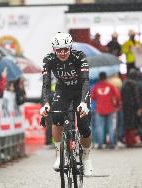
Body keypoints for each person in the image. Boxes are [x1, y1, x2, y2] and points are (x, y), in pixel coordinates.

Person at [40, 32, 93, 176]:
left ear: (70, 48)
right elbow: (45, 84)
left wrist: (83, 102)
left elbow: (86, 81)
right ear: (54, 49)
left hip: (80, 91)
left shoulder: (79, 56)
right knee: (56, 119)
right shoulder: (48, 59)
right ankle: (58, 155)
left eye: (65, 49)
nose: (62, 53)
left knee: (83, 126)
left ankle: (86, 158)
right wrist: (45, 103)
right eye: (59, 50)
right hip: (62, 91)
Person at [91, 72, 120, 149]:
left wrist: (98, 100)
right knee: (110, 126)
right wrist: (116, 105)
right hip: (110, 109)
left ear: (99, 78)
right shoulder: (110, 86)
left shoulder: (96, 86)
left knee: (99, 127)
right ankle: (111, 143)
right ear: (106, 78)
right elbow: (117, 96)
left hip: (99, 109)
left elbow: (92, 97)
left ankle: (100, 144)